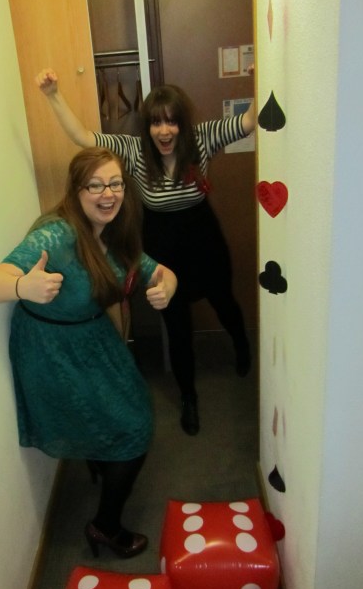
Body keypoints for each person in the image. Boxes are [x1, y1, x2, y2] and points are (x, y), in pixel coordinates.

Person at [36, 68, 256, 436]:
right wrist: (53, 95)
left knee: (224, 302)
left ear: (182, 124)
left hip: (203, 239)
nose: (164, 131)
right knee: (177, 324)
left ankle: (242, 344)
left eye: (171, 122)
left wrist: (263, 76)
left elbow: (249, 121)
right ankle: (188, 397)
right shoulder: (135, 150)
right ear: (148, 126)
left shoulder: (202, 139)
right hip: (160, 243)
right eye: (156, 122)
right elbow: (82, 137)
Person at [0, 147, 177, 558]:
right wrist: (22, 286)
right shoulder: (57, 235)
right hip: (52, 346)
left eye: (115, 184)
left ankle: (102, 460)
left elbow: (160, 271)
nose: (108, 194)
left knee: (130, 409)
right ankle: (105, 527)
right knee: (133, 426)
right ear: (76, 190)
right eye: (95, 185)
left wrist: (166, 287)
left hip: (92, 335)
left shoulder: (115, 231)